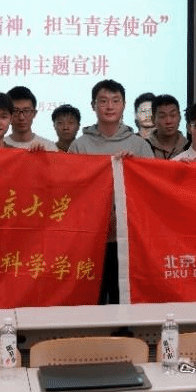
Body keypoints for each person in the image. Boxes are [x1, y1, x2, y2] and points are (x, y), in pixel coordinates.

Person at [69, 79, 153, 304]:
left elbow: (150, 191)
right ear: (93, 105)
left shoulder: (139, 145)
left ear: (124, 105)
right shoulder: (79, 145)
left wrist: (134, 168)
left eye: (115, 101)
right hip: (90, 238)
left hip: (128, 239)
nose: (109, 106)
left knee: (123, 299)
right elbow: (72, 191)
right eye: (103, 101)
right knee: (91, 299)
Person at [5, 85, 58, 151]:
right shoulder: (0, 146)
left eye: (26, 111)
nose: (21, 117)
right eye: (15, 111)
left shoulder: (48, 147)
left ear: (34, 113)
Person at [147, 94, 189, 159]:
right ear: (153, 120)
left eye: (173, 115)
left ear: (180, 118)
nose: (168, 121)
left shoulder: (190, 148)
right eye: (162, 116)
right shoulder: (143, 147)